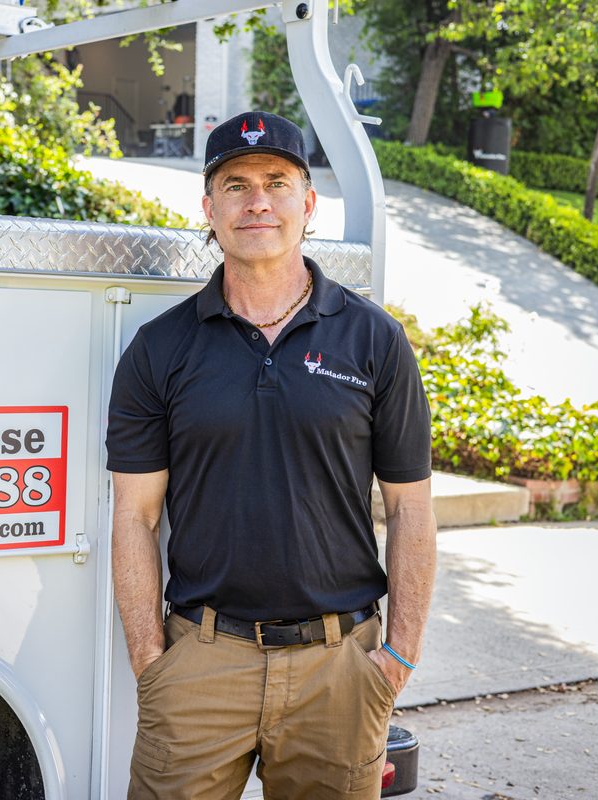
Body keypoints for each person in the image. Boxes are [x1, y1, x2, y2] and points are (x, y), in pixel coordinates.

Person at [106, 110, 437, 800]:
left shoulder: (375, 341)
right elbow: (135, 517)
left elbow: (410, 509)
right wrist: (151, 662)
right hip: (200, 665)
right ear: (209, 208)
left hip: (339, 668)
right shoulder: (159, 349)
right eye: (236, 185)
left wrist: (398, 655)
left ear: (307, 204)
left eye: (277, 183)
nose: (257, 201)